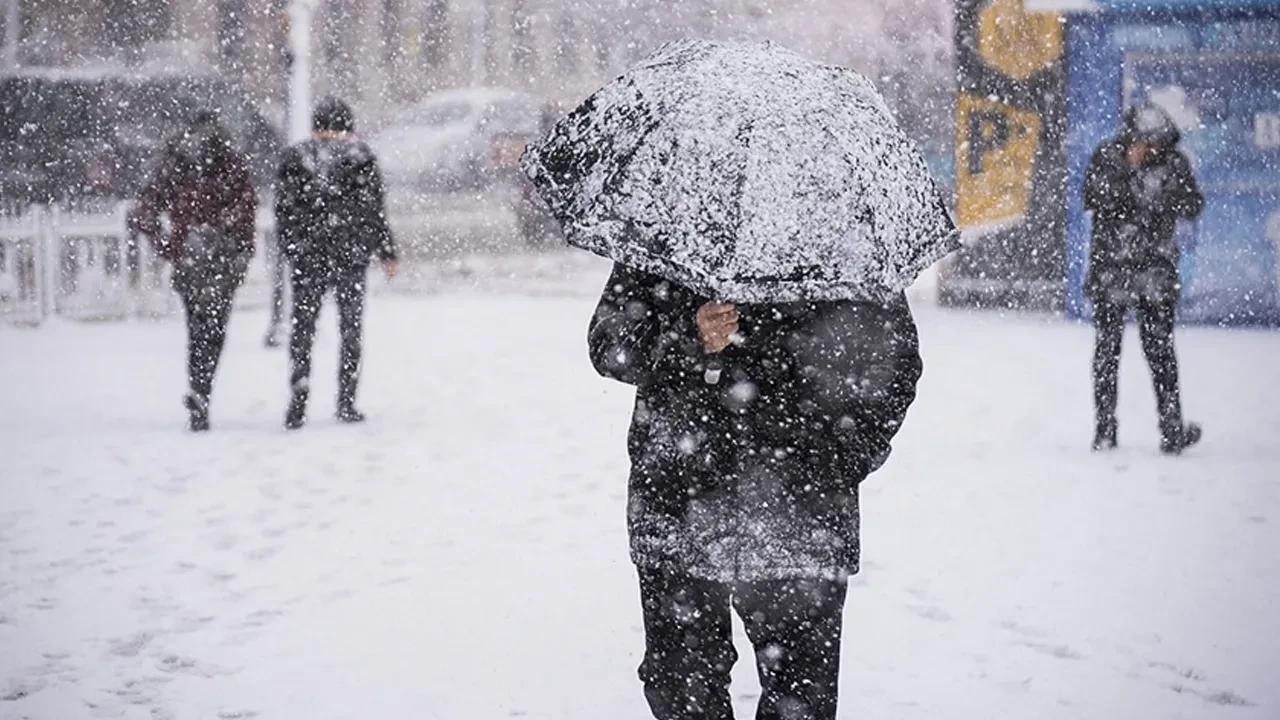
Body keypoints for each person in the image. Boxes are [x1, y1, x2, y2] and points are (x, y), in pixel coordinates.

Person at [588, 264, 922, 720]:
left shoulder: (841, 242)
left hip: (801, 514)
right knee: (681, 690)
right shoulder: (670, 234)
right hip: (680, 503)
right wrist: (688, 333)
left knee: (801, 700)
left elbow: (895, 360)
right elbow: (610, 345)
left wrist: (842, 457)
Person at [1083, 103, 1204, 454]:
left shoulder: (1173, 163)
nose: (1150, 150)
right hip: (1113, 270)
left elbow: (1192, 204)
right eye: (1144, 143)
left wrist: (1159, 192)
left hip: (1155, 270)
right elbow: (1093, 197)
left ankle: (1171, 429)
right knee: (1107, 353)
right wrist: (1129, 174)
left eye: (1155, 145)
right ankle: (1105, 430)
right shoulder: (1108, 158)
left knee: (1161, 352)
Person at [275, 97, 398, 430]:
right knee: (351, 329)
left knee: (303, 328)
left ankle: (299, 393)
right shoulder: (360, 157)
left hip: (308, 257)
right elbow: (373, 211)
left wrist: (293, 248)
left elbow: (284, 210)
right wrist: (386, 251)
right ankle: (346, 400)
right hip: (350, 256)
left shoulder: (296, 157)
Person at [130, 110, 257, 432]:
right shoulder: (229, 162)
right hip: (223, 254)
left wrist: (168, 244)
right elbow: (246, 210)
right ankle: (203, 388)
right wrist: (243, 251)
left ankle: (198, 387)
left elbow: (146, 209)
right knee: (215, 329)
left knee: (197, 327)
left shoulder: (176, 162)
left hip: (189, 254)